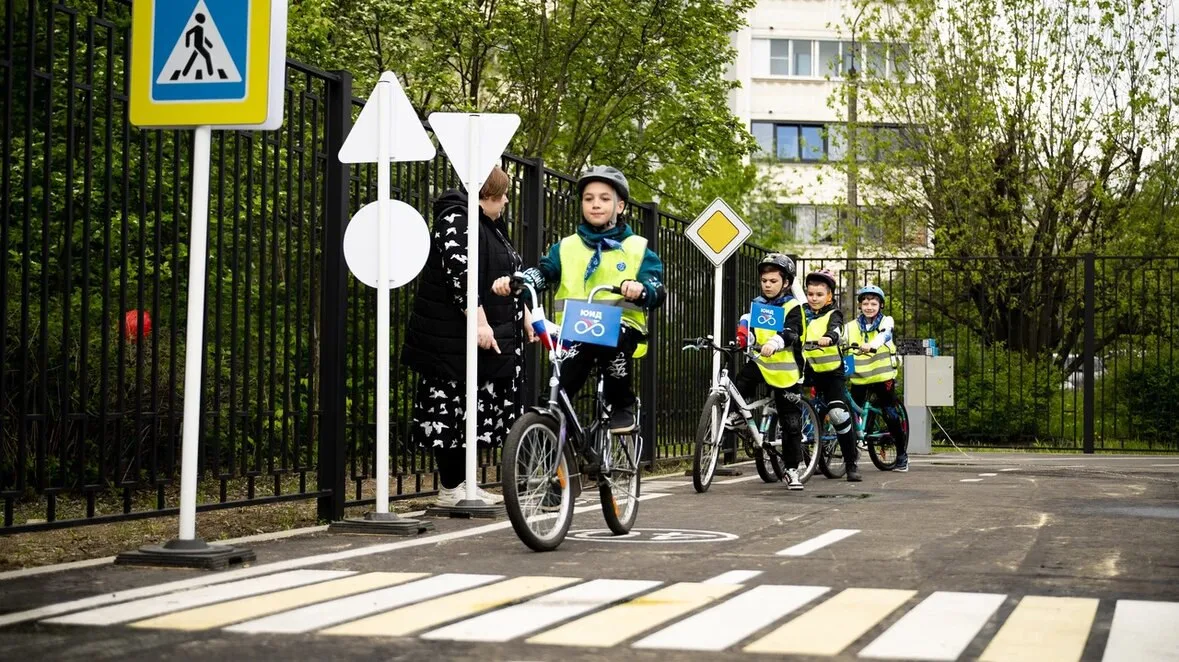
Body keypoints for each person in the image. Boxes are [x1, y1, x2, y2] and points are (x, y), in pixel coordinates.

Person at [492, 165, 666, 434]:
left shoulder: (637, 248)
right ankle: (558, 435)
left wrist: (641, 289)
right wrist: (520, 282)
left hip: (621, 330)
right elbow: (544, 272)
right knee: (558, 389)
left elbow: (655, 287)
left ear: (620, 206)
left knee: (611, 340)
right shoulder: (566, 247)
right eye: (589, 198)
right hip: (575, 333)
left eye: (604, 199)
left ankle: (623, 405)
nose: (596, 204)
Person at [401, 166, 534, 507]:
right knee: (451, 409)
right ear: (486, 194)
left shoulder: (487, 226)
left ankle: (465, 485)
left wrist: (527, 316)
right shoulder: (456, 221)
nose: (506, 200)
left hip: (481, 338)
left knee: (469, 412)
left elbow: (510, 275)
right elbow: (461, 275)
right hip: (452, 341)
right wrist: (479, 323)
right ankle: (451, 489)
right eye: (502, 194)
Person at [733, 254, 807, 490]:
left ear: (785, 283)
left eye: (773, 281)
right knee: (741, 381)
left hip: (787, 372)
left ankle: (793, 470)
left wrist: (775, 343)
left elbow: (791, 332)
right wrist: (746, 338)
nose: (767, 284)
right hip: (762, 364)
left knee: (791, 423)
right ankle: (737, 416)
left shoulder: (793, 306)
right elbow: (752, 330)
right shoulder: (758, 305)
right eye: (764, 280)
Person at [802, 268, 861, 481]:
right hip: (809, 370)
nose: (814, 298)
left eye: (819, 295)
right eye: (810, 294)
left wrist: (829, 337)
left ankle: (851, 463)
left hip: (831, 372)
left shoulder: (833, 313)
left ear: (829, 296)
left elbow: (836, 329)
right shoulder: (801, 312)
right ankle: (810, 460)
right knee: (800, 411)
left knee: (837, 413)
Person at [846, 284, 910, 471]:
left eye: (873, 303)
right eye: (865, 303)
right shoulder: (850, 327)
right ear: (860, 305)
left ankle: (901, 455)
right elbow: (840, 339)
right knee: (850, 413)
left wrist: (872, 344)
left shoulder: (886, 321)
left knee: (889, 412)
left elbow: (884, 335)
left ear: (880, 305)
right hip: (859, 377)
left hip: (883, 376)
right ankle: (850, 452)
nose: (869, 306)